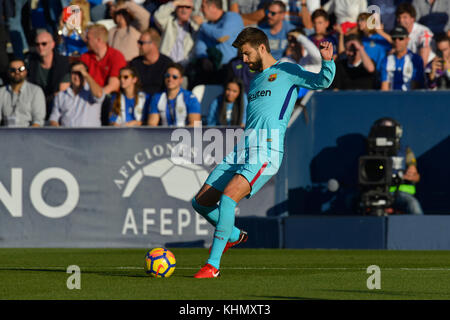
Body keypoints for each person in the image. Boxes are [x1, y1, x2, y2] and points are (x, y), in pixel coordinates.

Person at [191, 27, 335, 278]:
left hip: (266, 150)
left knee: (228, 198)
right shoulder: (255, 79)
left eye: (246, 54)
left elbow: (322, 81)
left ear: (261, 48)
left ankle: (212, 265)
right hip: (242, 149)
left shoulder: (287, 70)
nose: (244, 60)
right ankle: (234, 235)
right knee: (200, 202)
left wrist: (327, 61)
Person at [369, 117, 424, 215]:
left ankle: (422, 229)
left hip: (398, 193)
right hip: (375, 193)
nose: (386, 133)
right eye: (382, 129)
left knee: (412, 204)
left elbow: (415, 175)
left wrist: (411, 176)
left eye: (389, 130)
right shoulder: (369, 150)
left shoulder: (405, 151)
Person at [189, 0, 244, 86]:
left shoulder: (233, 17)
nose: (200, 10)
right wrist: (205, 59)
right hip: (210, 70)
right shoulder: (207, 25)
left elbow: (221, 37)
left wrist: (202, 24)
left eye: (203, 7)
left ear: (213, 7)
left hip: (230, 70)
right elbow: (200, 46)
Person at [26, 31, 71, 120]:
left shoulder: (63, 63)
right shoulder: (31, 63)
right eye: (37, 44)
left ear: (53, 44)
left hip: (57, 105)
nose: (40, 47)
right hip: (35, 104)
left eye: (44, 44)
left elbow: (63, 92)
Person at [49, 61, 104, 127]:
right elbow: (53, 119)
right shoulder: (61, 96)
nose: (77, 77)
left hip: (90, 135)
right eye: (74, 73)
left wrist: (85, 74)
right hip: (67, 135)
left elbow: (99, 94)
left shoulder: (91, 92)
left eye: (80, 73)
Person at [80, 24, 127, 95]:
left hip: (108, 98)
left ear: (98, 40)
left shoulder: (116, 56)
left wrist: (99, 96)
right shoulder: (85, 57)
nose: (85, 40)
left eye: (88, 38)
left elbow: (114, 85)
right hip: (88, 96)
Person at [0, 59, 46, 127]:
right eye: (13, 70)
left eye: (21, 69)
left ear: (26, 71)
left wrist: (28, 136)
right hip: (6, 133)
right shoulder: (1, 91)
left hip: (29, 134)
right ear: (8, 72)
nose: (17, 72)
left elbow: (38, 121)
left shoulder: (36, 91)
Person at [154, 0, 199, 66]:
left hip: (185, 67)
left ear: (192, 10)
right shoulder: (169, 21)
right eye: (180, 6)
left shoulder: (195, 27)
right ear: (176, 8)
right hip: (165, 65)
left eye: (187, 7)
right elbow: (158, 16)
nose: (184, 9)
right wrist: (175, 2)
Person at [129, 28, 174, 95]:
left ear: (153, 44)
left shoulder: (167, 64)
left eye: (141, 43)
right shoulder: (135, 63)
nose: (138, 46)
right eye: (138, 42)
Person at [380, 26, 424, 91]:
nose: (397, 41)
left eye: (401, 38)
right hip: (391, 98)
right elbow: (384, 87)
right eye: (394, 38)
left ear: (407, 39)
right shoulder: (386, 60)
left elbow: (415, 86)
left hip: (409, 98)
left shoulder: (415, 59)